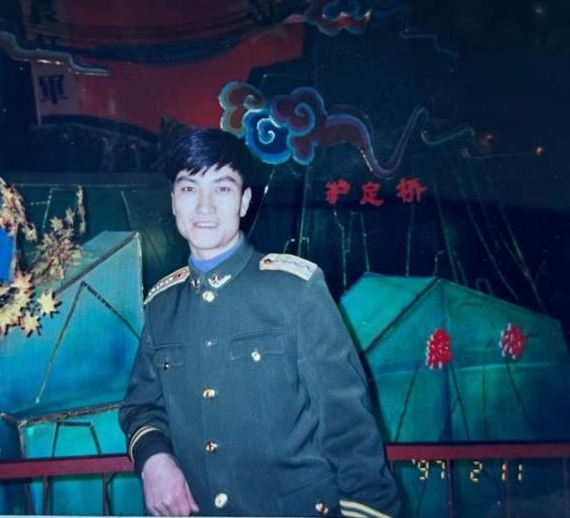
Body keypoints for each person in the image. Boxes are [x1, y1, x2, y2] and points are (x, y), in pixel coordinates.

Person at [119, 128, 400, 517]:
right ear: (173, 201)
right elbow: (141, 407)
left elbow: (349, 428)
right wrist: (154, 458)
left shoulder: (294, 290)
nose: (204, 206)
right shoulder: (162, 306)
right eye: (189, 188)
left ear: (244, 201)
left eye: (222, 188)